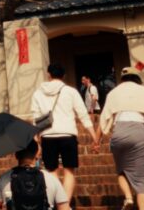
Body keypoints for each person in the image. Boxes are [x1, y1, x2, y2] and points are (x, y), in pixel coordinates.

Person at [96, 66, 144, 210]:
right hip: (138, 131)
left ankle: (128, 198)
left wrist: (96, 141)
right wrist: (142, 123)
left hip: (119, 131)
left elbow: (103, 119)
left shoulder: (113, 93)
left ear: (122, 79)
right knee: (142, 180)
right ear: (137, 78)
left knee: (121, 170)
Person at [30, 64, 99, 203]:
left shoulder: (38, 93)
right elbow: (83, 114)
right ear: (64, 76)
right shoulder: (70, 91)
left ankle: (57, 202)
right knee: (69, 171)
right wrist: (94, 137)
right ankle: (65, 204)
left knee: (51, 171)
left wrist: (36, 139)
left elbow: (35, 118)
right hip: (68, 134)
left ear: (48, 74)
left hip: (48, 135)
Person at [0, 140, 70, 210]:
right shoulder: (51, 179)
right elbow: (64, 208)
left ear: (16, 155)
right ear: (37, 155)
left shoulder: (4, 179)